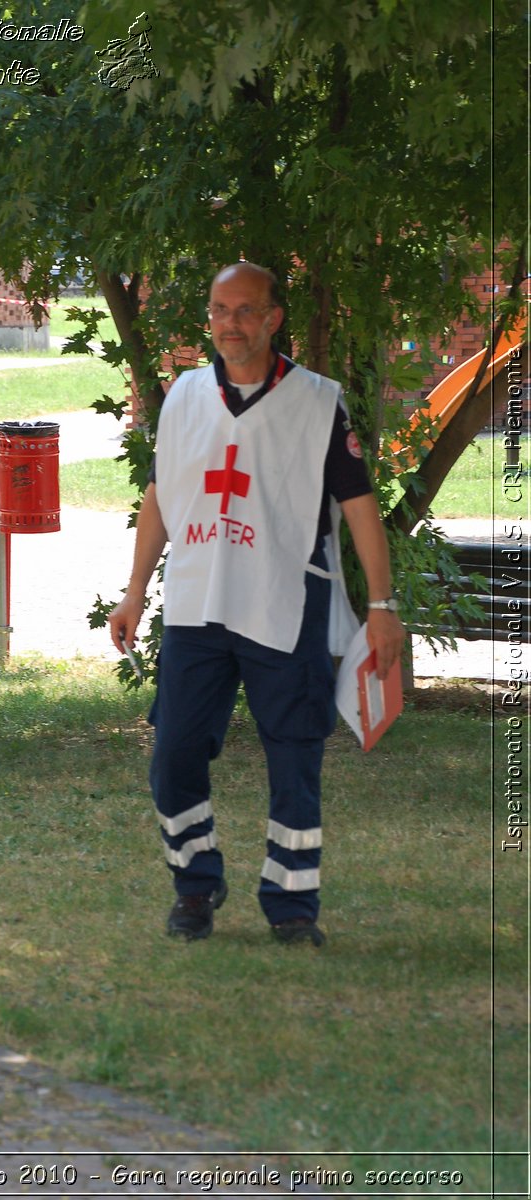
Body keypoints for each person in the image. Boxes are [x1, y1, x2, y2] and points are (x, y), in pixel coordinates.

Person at [108, 262, 405, 946]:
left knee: (294, 756)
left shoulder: (317, 402)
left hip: (284, 601)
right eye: (219, 310)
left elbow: (360, 508)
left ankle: (293, 905)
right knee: (175, 751)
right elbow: (161, 494)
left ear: (273, 319)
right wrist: (133, 591)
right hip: (197, 605)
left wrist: (383, 604)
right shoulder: (183, 397)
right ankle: (195, 885)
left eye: (245, 311)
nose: (230, 323)